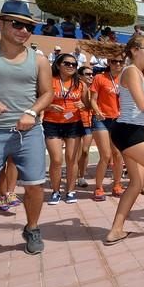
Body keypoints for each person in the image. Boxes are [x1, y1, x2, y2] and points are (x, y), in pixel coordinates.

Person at [0, 0, 54, 260]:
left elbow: (48, 93)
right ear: (0, 23)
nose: (23, 30)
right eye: (17, 24)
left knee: (35, 186)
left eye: (28, 26)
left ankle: (33, 229)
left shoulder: (39, 60)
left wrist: (31, 112)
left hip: (29, 132)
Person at [90, 35, 144, 243]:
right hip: (128, 131)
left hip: (131, 130)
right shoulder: (130, 72)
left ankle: (116, 230)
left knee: (137, 183)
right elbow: (143, 105)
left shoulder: (137, 73)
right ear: (135, 50)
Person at [43, 53, 88, 204]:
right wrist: (49, 106)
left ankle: (70, 191)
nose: (71, 67)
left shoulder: (80, 84)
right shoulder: (49, 81)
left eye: (74, 65)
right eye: (67, 63)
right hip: (52, 123)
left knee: (71, 159)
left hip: (73, 123)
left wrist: (83, 105)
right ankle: (55, 191)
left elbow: (88, 104)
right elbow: (38, 100)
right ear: (57, 65)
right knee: (56, 160)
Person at [87, 53, 125, 201]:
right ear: (109, 62)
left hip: (118, 120)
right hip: (101, 120)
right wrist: (97, 111)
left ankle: (117, 185)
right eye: (114, 61)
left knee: (118, 155)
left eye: (120, 62)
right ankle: (98, 187)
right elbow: (93, 99)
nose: (117, 64)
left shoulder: (124, 80)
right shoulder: (99, 78)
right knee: (106, 155)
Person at [76, 66, 94, 188]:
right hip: (76, 122)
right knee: (75, 151)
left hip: (89, 122)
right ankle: (76, 174)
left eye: (92, 74)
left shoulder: (94, 88)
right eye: (87, 74)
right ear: (80, 76)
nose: (90, 76)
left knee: (85, 151)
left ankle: (81, 176)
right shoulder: (76, 87)